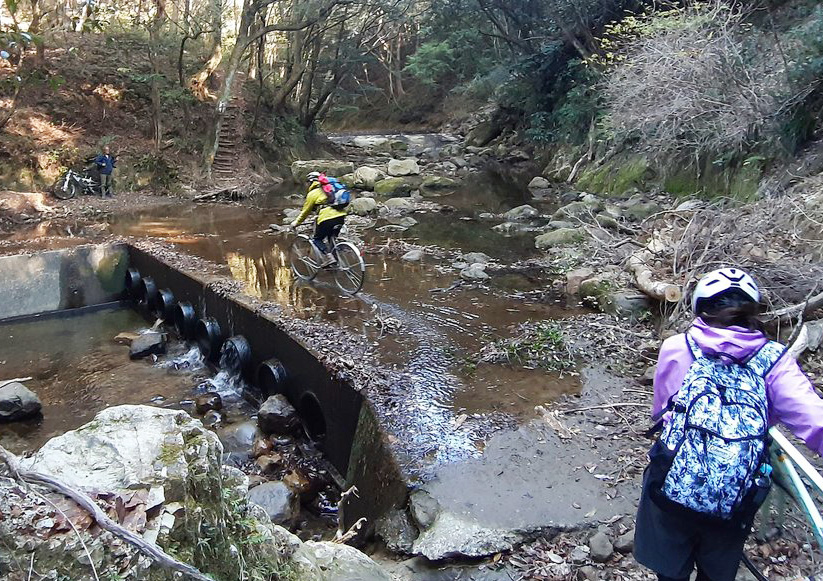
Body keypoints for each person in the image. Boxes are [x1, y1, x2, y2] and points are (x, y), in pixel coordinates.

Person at [634, 267, 823, 581]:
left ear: (700, 307)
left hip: (672, 484)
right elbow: (815, 420)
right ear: (753, 310)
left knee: (669, 571)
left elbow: (662, 412)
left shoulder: (678, 347)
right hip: (733, 496)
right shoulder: (773, 359)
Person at [289, 171, 347, 267]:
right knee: (331, 238)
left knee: (317, 240)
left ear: (311, 182)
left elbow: (305, 212)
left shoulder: (313, 193)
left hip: (326, 219)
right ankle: (335, 262)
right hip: (341, 217)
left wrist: (296, 223)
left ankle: (330, 258)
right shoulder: (331, 189)